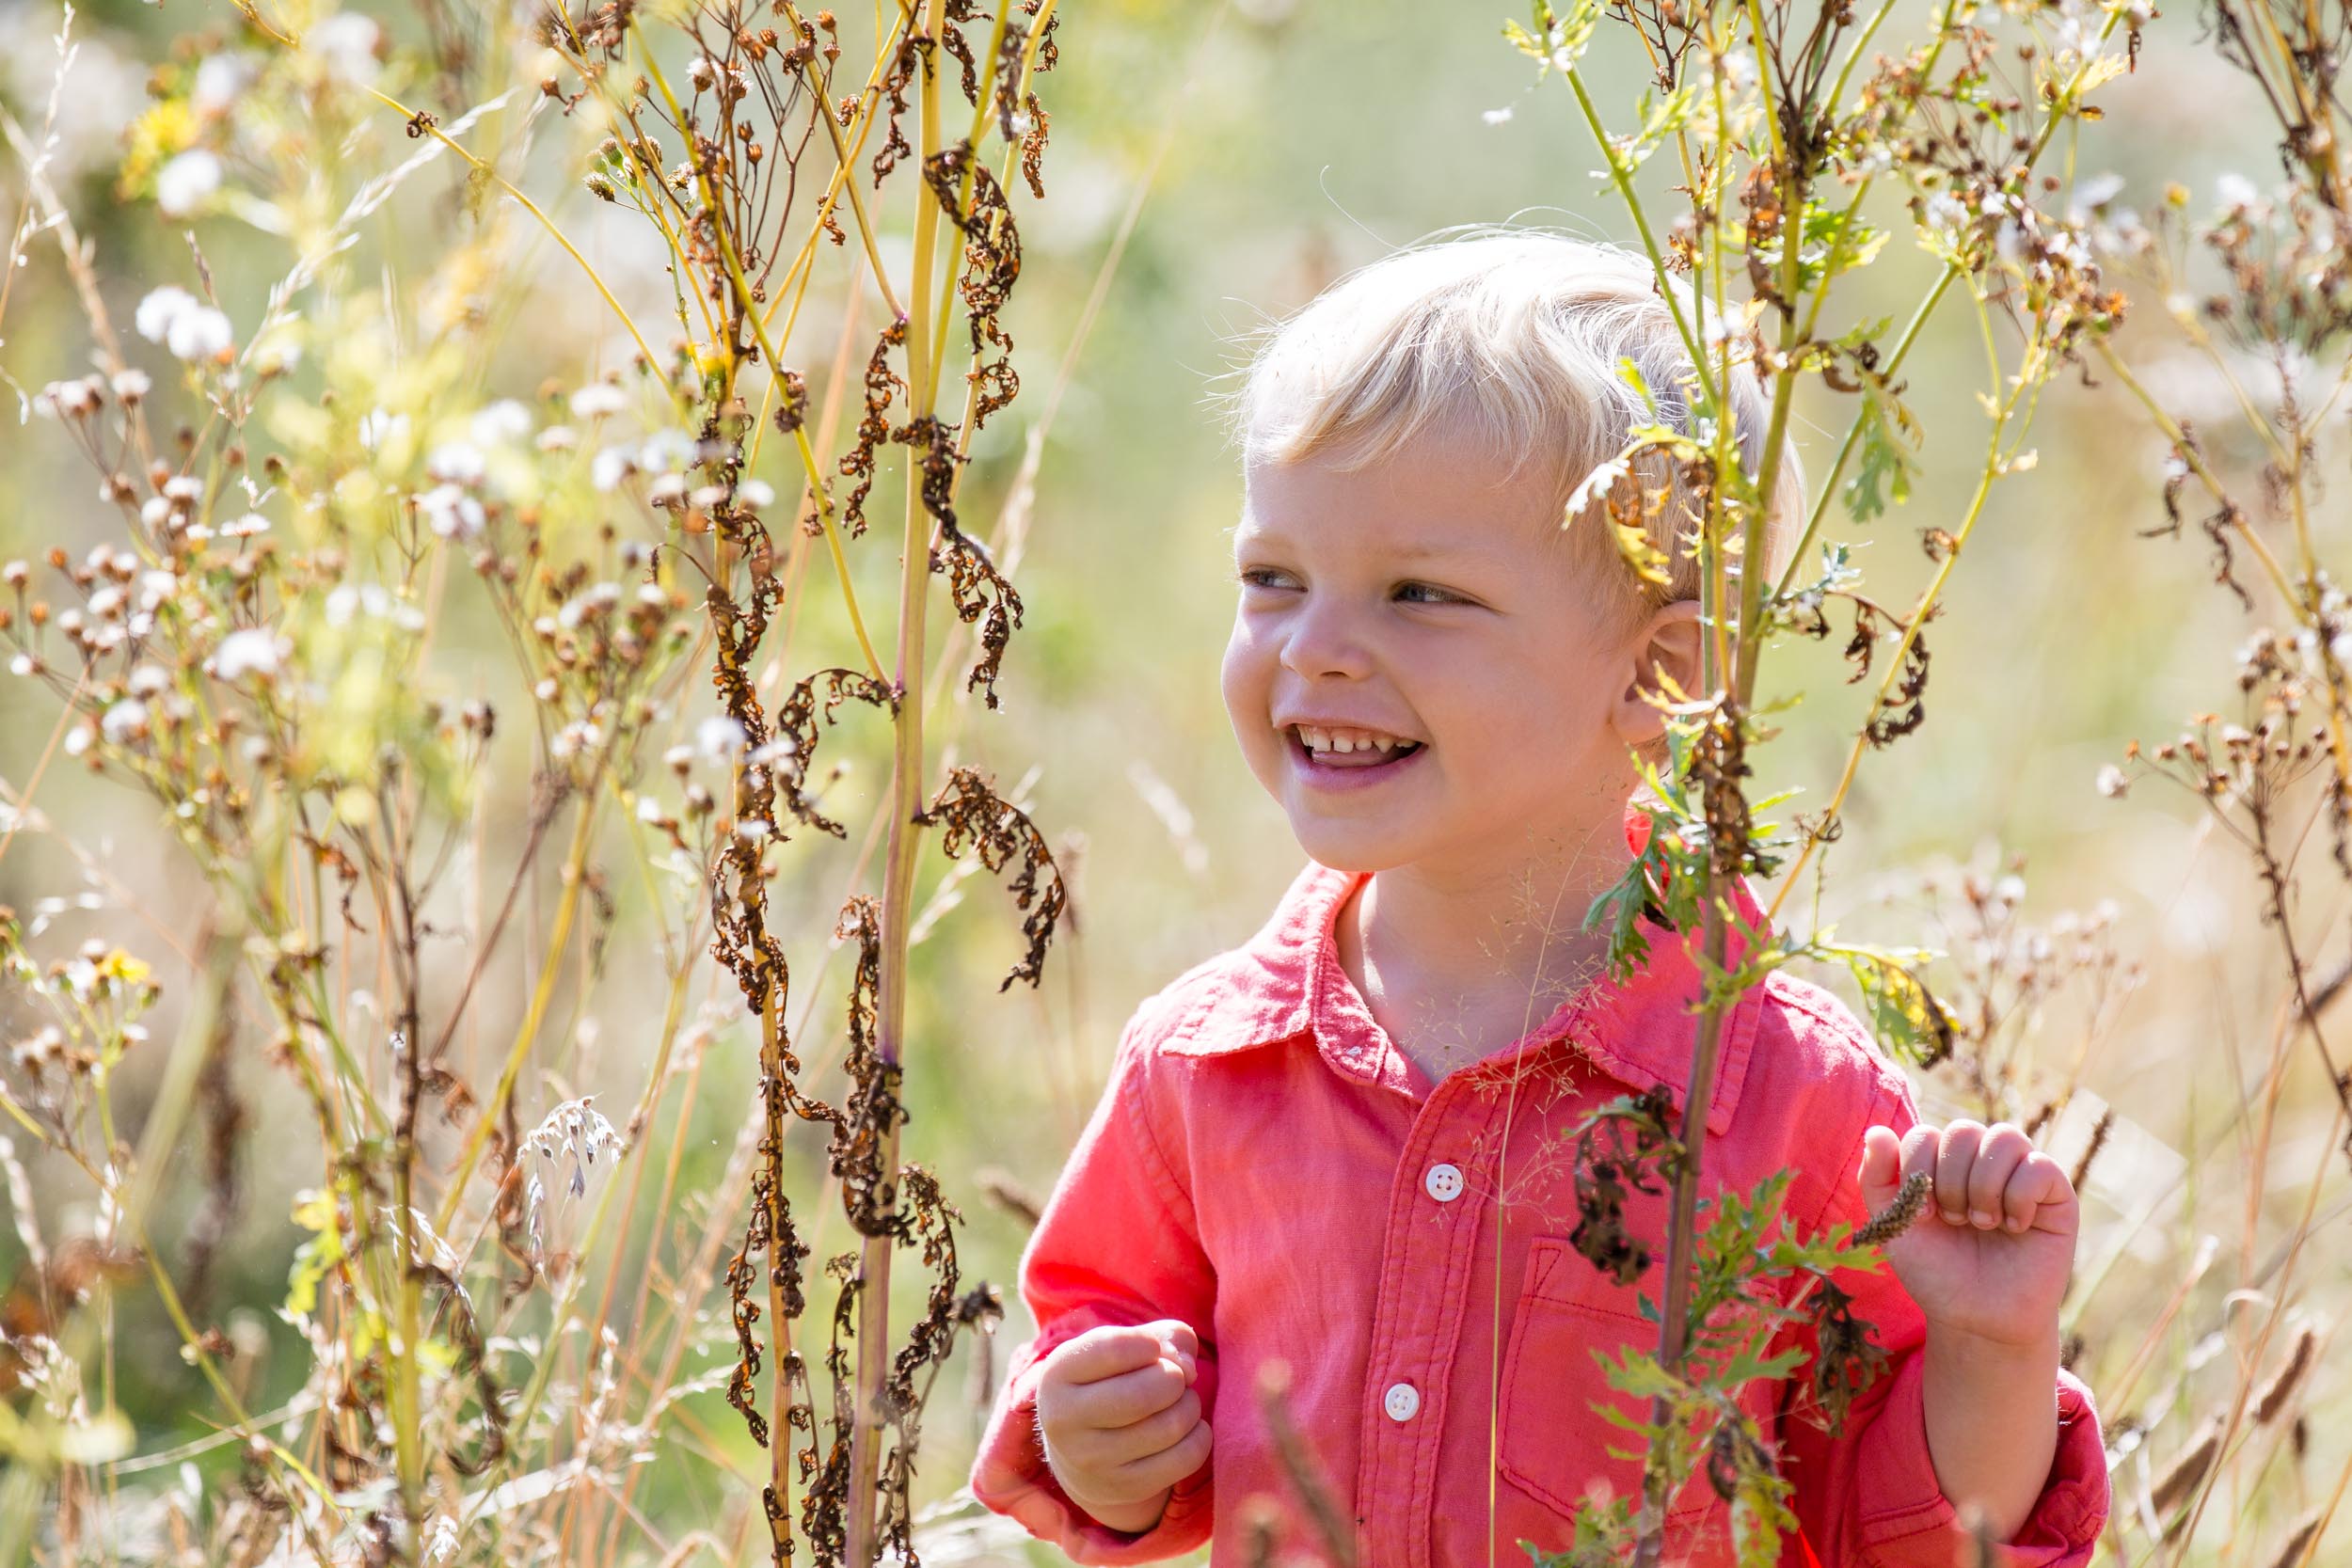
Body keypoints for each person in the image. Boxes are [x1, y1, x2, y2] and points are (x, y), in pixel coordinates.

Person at [967, 230, 2109, 1566]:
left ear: (1658, 675)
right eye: (1274, 577)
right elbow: (1092, 1356)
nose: (1317, 648)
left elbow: (1909, 1535)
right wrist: (1098, 1436)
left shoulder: (1788, 1097)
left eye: (1421, 595)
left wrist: (1990, 1344)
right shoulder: (1206, 1065)